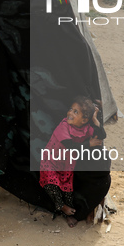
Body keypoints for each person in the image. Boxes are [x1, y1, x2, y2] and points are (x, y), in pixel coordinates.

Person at [39, 96, 105, 228]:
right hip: (51, 162)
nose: (70, 113)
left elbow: (102, 135)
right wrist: (89, 144)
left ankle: (68, 214)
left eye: (76, 112)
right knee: (52, 185)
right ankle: (62, 207)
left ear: (85, 120)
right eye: (71, 109)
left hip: (67, 164)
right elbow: (70, 146)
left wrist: (95, 121)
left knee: (67, 190)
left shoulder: (86, 128)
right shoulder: (63, 126)